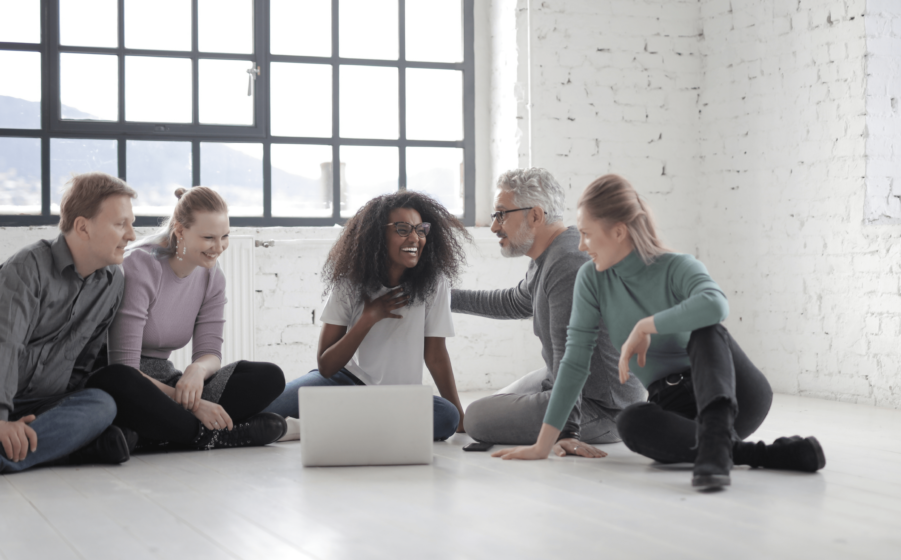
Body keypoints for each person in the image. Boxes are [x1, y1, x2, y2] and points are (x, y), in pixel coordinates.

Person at [493, 174, 825, 491]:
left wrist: (646, 325)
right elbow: (575, 362)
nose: (580, 246)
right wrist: (542, 445)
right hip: (674, 409)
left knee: (707, 331)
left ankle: (716, 441)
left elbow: (716, 305)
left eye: (587, 234)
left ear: (619, 232)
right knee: (632, 422)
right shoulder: (591, 280)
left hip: (735, 393)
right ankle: (751, 453)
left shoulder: (677, 266)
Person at [0, 172, 140, 483]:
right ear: (83, 226)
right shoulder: (26, 267)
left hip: (38, 402)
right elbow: (2, 343)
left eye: (131, 224)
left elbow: (83, 363)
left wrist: (67, 411)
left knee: (101, 406)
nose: (132, 235)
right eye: (120, 224)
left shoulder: (113, 281)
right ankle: (67, 448)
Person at [452, 168, 645, 456]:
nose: (494, 226)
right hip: (567, 381)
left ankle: (568, 419)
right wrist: (444, 298)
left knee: (477, 418)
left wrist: (567, 431)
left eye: (502, 214)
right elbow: (514, 301)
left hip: (603, 408)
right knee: (493, 404)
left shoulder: (567, 263)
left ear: (535, 216)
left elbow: (570, 356)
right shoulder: (549, 255)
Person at [85, 186, 287, 451]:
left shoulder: (212, 277)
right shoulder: (140, 266)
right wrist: (194, 405)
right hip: (127, 382)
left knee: (269, 377)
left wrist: (197, 370)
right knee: (122, 381)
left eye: (225, 236)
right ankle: (215, 436)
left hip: (169, 381)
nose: (219, 248)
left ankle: (153, 435)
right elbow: (126, 367)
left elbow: (210, 353)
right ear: (180, 231)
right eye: (208, 238)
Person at [265, 190, 471, 441]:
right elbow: (327, 366)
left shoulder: (434, 283)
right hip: (343, 383)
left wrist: (460, 417)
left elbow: (436, 355)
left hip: (396, 397)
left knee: (445, 417)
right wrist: (369, 317)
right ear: (377, 234)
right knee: (266, 409)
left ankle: (309, 425)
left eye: (420, 229)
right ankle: (341, 422)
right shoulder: (349, 283)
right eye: (403, 229)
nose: (415, 238)